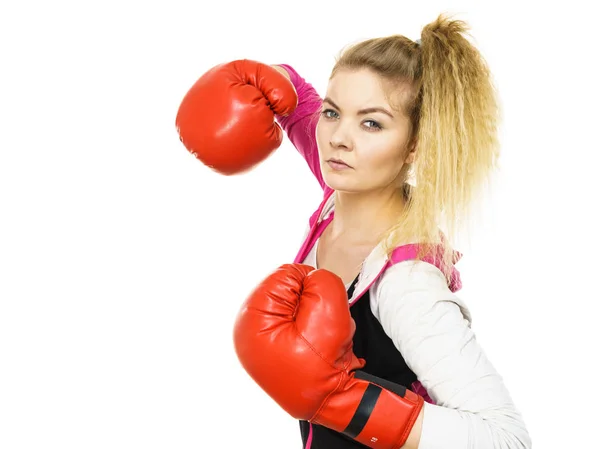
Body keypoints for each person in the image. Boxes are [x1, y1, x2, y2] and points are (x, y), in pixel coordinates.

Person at [175, 13, 531, 449]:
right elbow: (296, 102)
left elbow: (506, 439)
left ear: (415, 146)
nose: (337, 138)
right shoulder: (339, 186)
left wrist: (341, 399)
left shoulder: (406, 283)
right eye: (333, 112)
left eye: (372, 123)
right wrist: (270, 77)